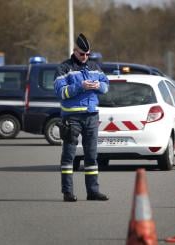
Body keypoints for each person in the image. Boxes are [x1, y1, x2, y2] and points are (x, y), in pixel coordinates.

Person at [54, 33, 110, 201]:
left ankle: (92, 191)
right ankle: (68, 192)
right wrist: (80, 86)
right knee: (69, 156)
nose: (85, 57)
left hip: (92, 116)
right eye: (81, 54)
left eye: (87, 54)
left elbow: (106, 86)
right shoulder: (64, 68)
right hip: (72, 118)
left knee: (91, 155)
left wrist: (98, 85)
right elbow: (60, 92)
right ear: (74, 51)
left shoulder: (94, 66)